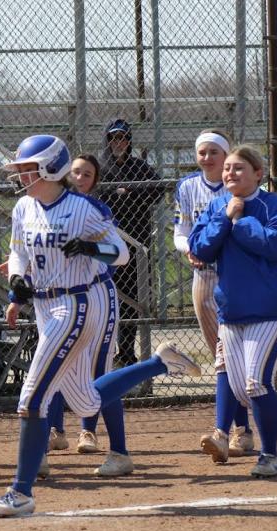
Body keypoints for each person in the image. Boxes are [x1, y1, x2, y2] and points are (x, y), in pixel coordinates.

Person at [0, 134, 202, 518]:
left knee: (31, 397)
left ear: (51, 169)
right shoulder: (23, 206)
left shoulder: (83, 208)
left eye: (26, 169)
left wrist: (88, 248)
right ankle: (159, 363)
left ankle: (20, 491)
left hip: (77, 304)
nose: (20, 175)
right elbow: (18, 253)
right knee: (85, 400)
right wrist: (17, 285)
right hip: (44, 304)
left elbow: (119, 254)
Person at [189, 145, 277, 476]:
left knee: (255, 383)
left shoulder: (275, 206)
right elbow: (200, 248)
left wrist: (240, 221)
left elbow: (273, 246)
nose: (229, 173)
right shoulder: (218, 206)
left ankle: (269, 456)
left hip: (271, 309)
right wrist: (225, 217)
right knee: (239, 386)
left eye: (238, 168)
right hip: (231, 309)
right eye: (227, 168)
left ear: (258, 174)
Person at [42, 153, 135, 477]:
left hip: (96, 294)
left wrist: (88, 247)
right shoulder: (42, 208)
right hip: (56, 300)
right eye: (75, 172)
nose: (80, 178)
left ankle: (110, 445)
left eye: (87, 174)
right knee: (50, 368)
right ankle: (49, 436)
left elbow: (119, 254)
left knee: (97, 372)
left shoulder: (94, 212)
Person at [172, 129, 254, 457]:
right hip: (204, 276)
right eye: (202, 152)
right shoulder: (188, 186)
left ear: (226, 155)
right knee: (222, 355)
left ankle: (240, 430)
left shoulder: (236, 184)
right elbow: (181, 230)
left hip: (234, 277)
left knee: (231, 357)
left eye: (213, 153)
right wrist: (190, 249)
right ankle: (240, 429)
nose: (207, 158)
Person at [99, 119, 165, 367]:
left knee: (133, 300)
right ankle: (109, 351)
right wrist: (116, 194)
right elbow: (95, 196)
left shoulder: (139, 167)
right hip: (108, 244)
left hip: (136, 243)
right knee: (108, 299)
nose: (119, 143)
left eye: (123, 138)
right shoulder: (102, 168)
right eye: (114, 138)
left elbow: (158, 190)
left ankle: (126, 351)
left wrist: (132, 193)